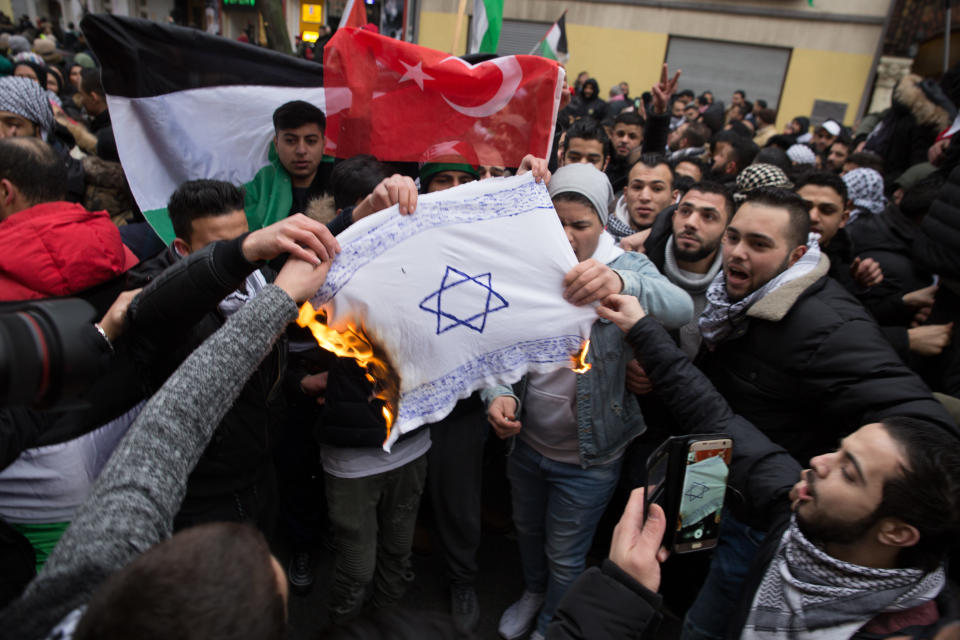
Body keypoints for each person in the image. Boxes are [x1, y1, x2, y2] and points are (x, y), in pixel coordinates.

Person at [550, 291, 960, 640]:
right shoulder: (797, 516)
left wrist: (615, 602)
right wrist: (641, 329)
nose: (817, 463)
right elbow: (715, 417)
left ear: (898, 532)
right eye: (838, 450)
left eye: (850, 473)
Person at [0, 236, 340, 640]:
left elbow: (173, 424)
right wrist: (275, 299)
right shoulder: (86, 580)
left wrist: (250, 262)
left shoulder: (61, 601)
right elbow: (176, 420)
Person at [484, 163, 692, 640]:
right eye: (557, 222)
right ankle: (533, 594)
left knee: (566, 552)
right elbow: (497, 345)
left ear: (603, 222)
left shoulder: (624, 264)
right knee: (529, 535)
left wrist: (622, 284)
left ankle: (556, 623)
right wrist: (498, 394)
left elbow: (680, 305)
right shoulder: (525, 264)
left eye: (581, 224)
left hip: (590, 458)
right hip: (528, 446)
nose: (568, 234)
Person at [640, 182, 734, 358]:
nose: (691, 223)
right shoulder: (641, 272)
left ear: (727, 233)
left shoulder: (736, 291)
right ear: (674, 217)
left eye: (708, 216)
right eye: (685, 212)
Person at [244, 100, 329, 230]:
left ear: (324, 144)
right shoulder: (257, 188)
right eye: (290, 141)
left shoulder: (342, 181)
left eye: (311, 141)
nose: (301, 150)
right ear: (276, 144)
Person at [607, 154, 677, 241]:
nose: (645, 197)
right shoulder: (600, 234)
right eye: (637, 187)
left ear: (674, 197)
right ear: (625, 194)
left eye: (657, 189)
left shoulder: (679, 241)